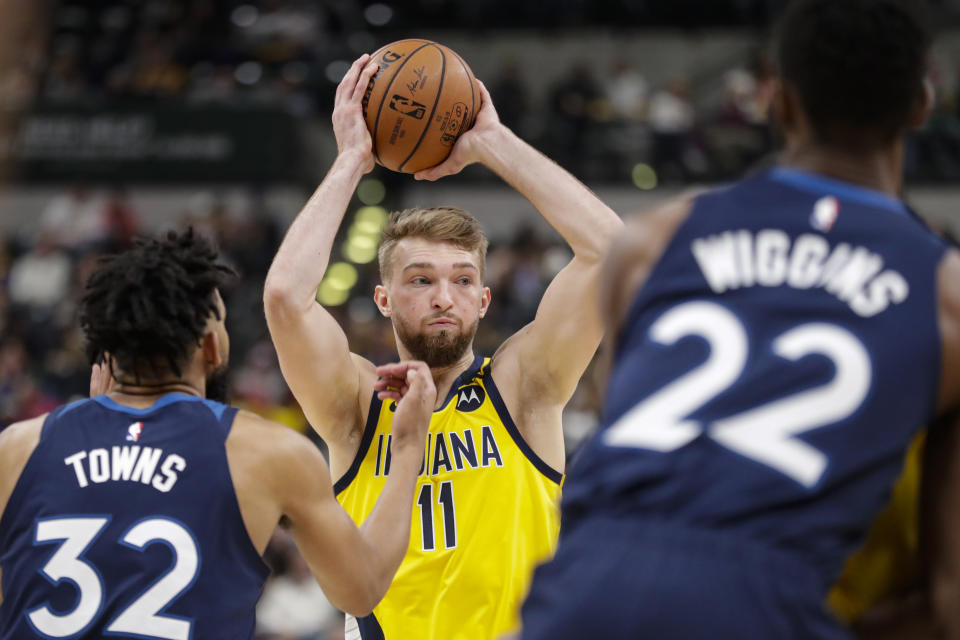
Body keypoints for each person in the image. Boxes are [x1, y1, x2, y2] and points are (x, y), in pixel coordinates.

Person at [520, 1, 960, 638]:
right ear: (922, 105)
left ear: (778, 102)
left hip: (581, 584)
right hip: (761, 597)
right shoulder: (944, 296)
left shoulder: (650, 243)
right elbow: (948, 604)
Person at [263, 54, 623, 639]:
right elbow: (284, 298)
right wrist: (353, 159)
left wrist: (494, 141)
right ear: (383, 300)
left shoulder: (523, 387)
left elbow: (610, 250)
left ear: (484, 300)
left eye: (462, 279)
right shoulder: (357, 406)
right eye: (420, 279)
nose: (443, 297)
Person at [0, 229, 435, 639]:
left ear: (109, 353)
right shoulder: (270, 453)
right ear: (211, 345)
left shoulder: (18, 448)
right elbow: (362, 590)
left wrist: (99, 419)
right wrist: (408, 448)